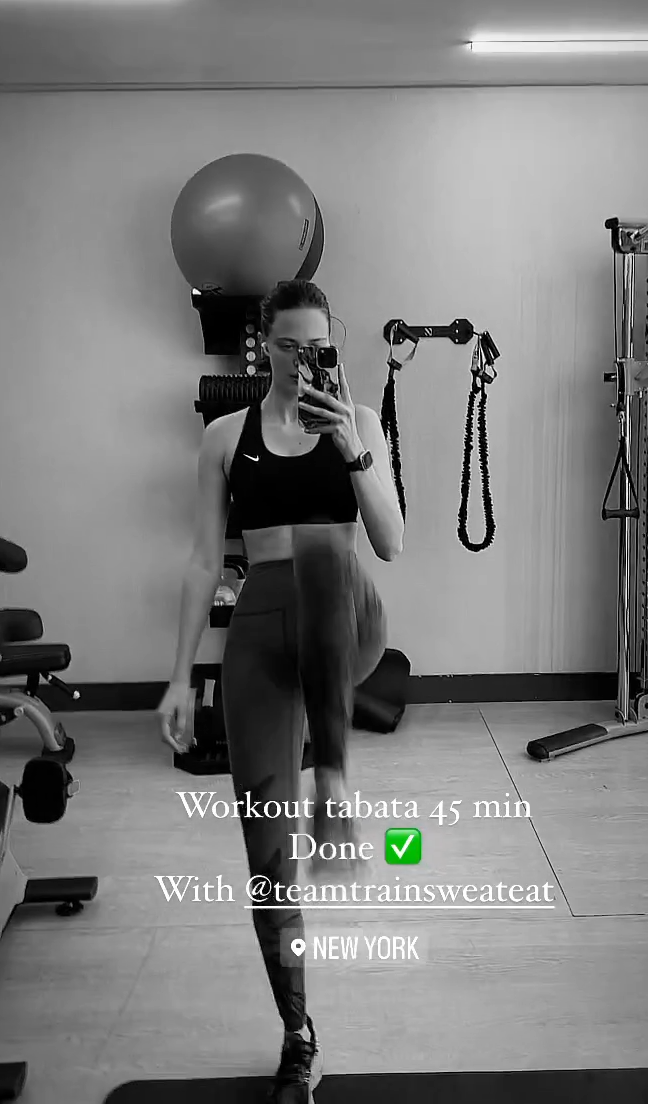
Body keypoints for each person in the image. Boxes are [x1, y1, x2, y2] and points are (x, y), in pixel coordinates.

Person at [158, 279, 405, 1103]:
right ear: (264, 346)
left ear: (333, 345)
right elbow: (203, 560)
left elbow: (391, 542)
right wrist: (177, 678)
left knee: (323, 560)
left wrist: (354, 450)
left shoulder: (357, 420)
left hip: (349, 619)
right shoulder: (225, 438)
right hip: (266, 634)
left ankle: (331, 775)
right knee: (268, 857)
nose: (303, 361)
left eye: (317, 346)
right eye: (288, 346)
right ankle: (298, 1035)